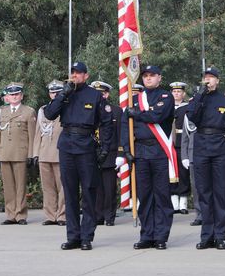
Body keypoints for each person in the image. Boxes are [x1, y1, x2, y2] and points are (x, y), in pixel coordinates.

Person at [44, 61, 113, 251]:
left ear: (86, 76)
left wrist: (105, 148)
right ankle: (73, 236)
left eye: (79, 73)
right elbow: (49, 114)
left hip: (86, 145)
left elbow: (107, 123)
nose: (75, 76)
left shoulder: (95, 95)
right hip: (67, 144)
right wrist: (63, 95)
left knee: (89, 192)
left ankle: (87, 236)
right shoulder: (64, 93)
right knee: (70, 193)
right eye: (73, 72)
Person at [118, 65, 175, 250]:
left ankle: (161, 236)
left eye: (152, 75)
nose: (148, 78)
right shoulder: (134, 99)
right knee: (144, 196)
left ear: (160, 77)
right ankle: (147, 235)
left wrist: (139, 114)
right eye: (146, 76)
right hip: (140, 151)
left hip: (158, 151)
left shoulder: (166, 97)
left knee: (161, 196)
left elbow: (157, 116)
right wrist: (126, 149)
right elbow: (125, 126)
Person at [187, 67, 225, 250]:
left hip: (220, 146)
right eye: (206, 78)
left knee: (220, 193)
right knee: (204, 193)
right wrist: (200, 95)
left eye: (211, 78)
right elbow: (192, 117)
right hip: (202, 145)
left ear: (217, 81)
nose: (208, 80)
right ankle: (206, 236)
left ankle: (220, 236)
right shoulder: (197, 99)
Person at [0, 82, 36, 225]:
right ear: (7, 96)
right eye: (11, 94)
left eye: (17, 94)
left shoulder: (28, 112)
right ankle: (10, 214)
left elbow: (32, 135)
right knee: (8, 186)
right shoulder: (2, 112)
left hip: (20, 153)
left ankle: (20, 215)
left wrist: (31, 155)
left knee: (20, 185)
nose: (14, 97)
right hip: (5, 152)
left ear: (21, 96)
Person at [33, 80, 67, 226]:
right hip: (44, 153)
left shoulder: (66, 108)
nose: (55, 94)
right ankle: (50, 215)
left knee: (63, 187)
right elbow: (37, 133)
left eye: (58, 92)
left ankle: (62, 215)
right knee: (47, 187)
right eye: (52, 92)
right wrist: (35, 153)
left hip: (60, 152)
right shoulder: (43, 110)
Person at [91, 80, 120, 226]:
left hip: (110, 153)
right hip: (92, 153)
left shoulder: (115, 111)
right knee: (95, 187)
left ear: (107, 94)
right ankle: (98, 216)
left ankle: (109, 216)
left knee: (109, 188)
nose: (98, 96)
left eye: (101, 93)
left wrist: (120, 154)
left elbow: (120, 133)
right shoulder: (88, 108)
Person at [170, 81, 190, 215]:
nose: (176, 94)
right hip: (169, 144)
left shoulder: (187, 107)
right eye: (174, 92)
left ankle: (183, 202)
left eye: (179, 92)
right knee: (171, 173)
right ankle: (173, 202)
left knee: (183, 173)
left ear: (183, 94)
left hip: (182, 143)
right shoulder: (167, 106)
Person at [181, 110, 201, 226]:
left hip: (211, 154)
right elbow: (185, 136)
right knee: (196, 188)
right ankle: (200, 214)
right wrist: (184, 156)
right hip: (193, 155)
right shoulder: (189, 114)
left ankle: (211, 214)